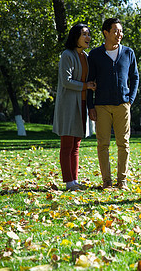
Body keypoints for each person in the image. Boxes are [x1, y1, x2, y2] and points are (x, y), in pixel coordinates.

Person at [87, 18, 139, 190]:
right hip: (101, 105)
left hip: (122, 105)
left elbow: (135, 77)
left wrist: (130, 100)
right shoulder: (95, 55)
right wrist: (90, 106)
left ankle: (121, 180)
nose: (119, 34)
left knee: (123, 143)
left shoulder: (128, 53)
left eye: (121, 31)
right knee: (103, 144)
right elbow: (90, 81)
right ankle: (107, 181)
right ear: (106, 32)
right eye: (116, 31)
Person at [53, 23, 96, 191]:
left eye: (88, 34)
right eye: (84, 34)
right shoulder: (67, 55)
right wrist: (87, 86)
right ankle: (68, 181)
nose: (88, 38)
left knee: (76, 144)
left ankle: (74, 181)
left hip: (82, 103)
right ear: (75, 37)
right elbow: (66, 81)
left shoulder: (85, 56)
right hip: (68, 104)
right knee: (67, 144)